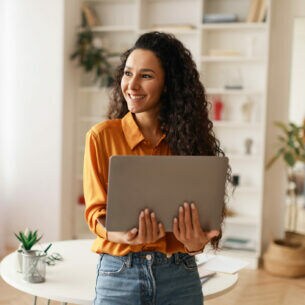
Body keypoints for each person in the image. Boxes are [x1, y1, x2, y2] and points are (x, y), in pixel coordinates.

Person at [83, 31, 230, 305]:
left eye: (146, 76)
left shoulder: (190, 142)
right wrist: (118, 234)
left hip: (179, 273)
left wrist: (195, 243)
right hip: (119, 272)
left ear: (169, 84)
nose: (132, 85)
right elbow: (95, 212)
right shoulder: (101, 136)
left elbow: (206, 223)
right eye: (128, 73)